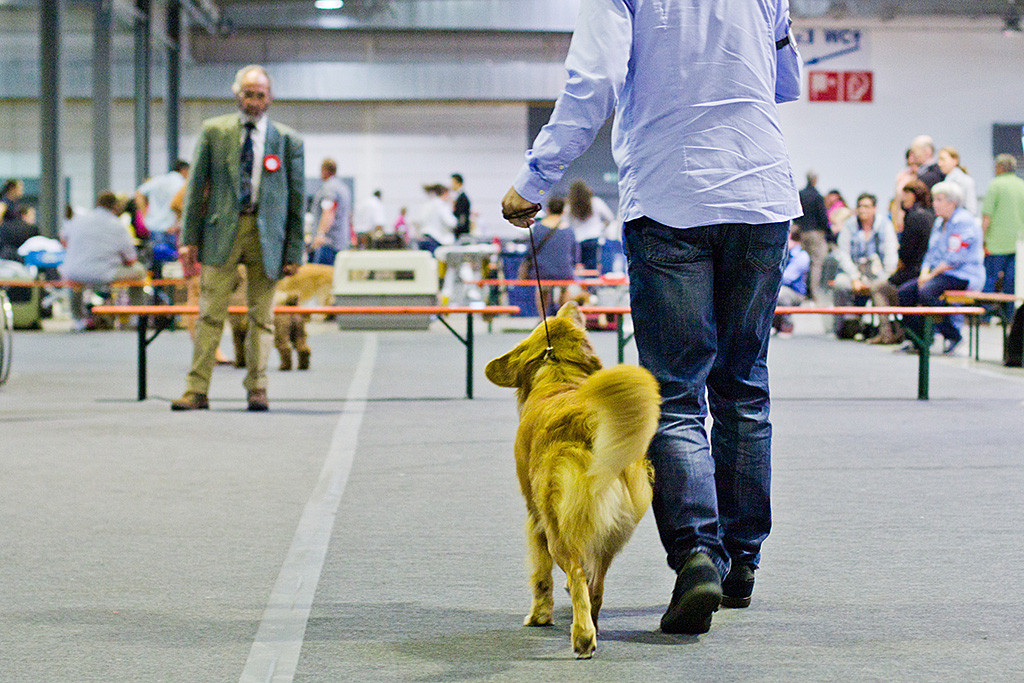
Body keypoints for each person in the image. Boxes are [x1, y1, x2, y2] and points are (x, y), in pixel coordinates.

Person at [501, 0, 803, 635]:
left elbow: (593, 82)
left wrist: (537, 178)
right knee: (744, 386)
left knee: (674, 393)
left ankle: (698, 555)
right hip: (760, 193)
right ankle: (743, 563)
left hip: (672, 195)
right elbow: (785, 81)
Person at [171, 64, 305, 412]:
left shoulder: (289, 141)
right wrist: (188, 239)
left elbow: (296, 198)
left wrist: (294, 250)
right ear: (237, 95)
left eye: (261, 95)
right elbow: (196, 188)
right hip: (221, 233)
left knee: (263, 318)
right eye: (248, 94)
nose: (254, 101)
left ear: (270, 98)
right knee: (209, 315)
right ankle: (196, 391)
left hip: (268, 237)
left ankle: (258, 388)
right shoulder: (214, 132)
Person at [897, 181, 985, 355]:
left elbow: (954, 259)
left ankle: (953, 334)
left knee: (926, 292)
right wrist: (923, 274)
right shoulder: (939, 223)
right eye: (934, 199)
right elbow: (930, 254)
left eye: (939, 199)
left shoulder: (963, 221)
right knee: (905, 292)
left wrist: (929, 277)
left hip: (963, 274)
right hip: (940, 275)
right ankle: (920, 338)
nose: (934, 204)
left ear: (952, 202)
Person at [58, 191, 147, 332]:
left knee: (74, 279)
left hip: (74, 271)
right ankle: (136, 318)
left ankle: (78, 320)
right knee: (139, 271)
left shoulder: (79, 219)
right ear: (115, 206)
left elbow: (64, 240)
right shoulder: (117, 225)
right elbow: (131, 259)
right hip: (104, 273)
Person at [869, 179, 935, 344]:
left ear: (913, 195)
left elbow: (906, 252)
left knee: (878, 288)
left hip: (913, 271)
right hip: (922, 271)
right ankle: (901, 331)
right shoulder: (930, 215)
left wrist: (898, 270)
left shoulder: (913, 217)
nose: (902, 199)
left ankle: (889, 333)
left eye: (905, 195)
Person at [832, 193, 899, 338]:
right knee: (840, 284)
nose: (863, 210)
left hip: (877, 273)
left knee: (881, 287)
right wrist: (854, 276)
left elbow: (891, 252)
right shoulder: (849, 225)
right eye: (860, 206)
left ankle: (885, 332)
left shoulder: (884, 225)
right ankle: (844, 328)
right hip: (854, 272)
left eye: (867, 206)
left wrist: (887, 275)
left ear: (874, 208)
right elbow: (842, 254)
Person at [980, 154, 1024, 322]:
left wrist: (982, 238)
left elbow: (987, 216)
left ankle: (985, 315)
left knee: (990, 279)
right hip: (1018, 243)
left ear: (999, 167)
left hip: (996, 243)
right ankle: (1010, 317)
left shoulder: (995, 185)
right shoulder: (1022, 185)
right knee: (1012, 282)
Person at [527, 197, 579, 317]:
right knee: (565, 289)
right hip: (564, 271)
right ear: (563, 211)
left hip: (542, 271)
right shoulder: (569, 230)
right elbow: (575, 253)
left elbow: (530, 251)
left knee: (542, 290)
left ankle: (543, 318)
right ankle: (564, 319)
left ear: (548, 209)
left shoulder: (538, 228)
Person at [136, 160, 189, 263]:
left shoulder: (158, 179)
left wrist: (145, 215)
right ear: (184, 170)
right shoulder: (181, 182)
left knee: (156, 263)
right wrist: (178, 222)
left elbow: (139, 194)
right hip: (171, 228)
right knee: (171, 266)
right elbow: (176, 204)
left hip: (154, 226)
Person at [310, 158, 352, 266]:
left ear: (324, 170)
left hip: (328, 244)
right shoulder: (343, 188)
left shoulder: (329, 188)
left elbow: (328, 211)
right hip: (341, 242)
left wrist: (320, 235)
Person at [796, 171, 830, 301]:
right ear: (815, 179)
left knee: (803, 262)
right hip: (815, 233)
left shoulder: (801, 194)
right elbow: (823, 217)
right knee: (816, 263)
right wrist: (828, 232)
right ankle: (813, 293)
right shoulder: (817, 196)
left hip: (802, 233)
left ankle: (803, 290)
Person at [566, 180, 614, 271]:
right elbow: (610, 218)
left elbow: (566, 224)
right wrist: (602, 227)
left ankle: (581, 284)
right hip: (593, 238)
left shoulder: (569, 206)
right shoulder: (596, 202)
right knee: (592, 268)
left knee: (578, 268)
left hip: (577, 240)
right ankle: (592, 284)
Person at [774, 226, 810, 335]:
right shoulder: (781, 253)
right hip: (780, 287)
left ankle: (787, 325)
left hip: (795, 293)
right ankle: (773, 325)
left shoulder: (802, 256)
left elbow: (786, 278)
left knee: (780, 293)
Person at [412, 183, 456, 255]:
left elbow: (418, 221)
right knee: (435, 265)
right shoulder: (442, 205)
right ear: (445, 193)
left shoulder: (427, 204)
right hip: (436, 240)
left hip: (424, 239)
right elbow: (451, 223)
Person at [936, 147, 978, 216]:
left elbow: (971, 210)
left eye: (943, 159)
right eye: (939, 160)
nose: (939, 163)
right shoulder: (946, 180)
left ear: (955, 160)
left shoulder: (966, 180)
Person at [450, 173, 472, 240]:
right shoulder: (458, 197)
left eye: (452, 182)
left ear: (458, 183)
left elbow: (462, 216)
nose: (451, 185)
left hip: (462, 232)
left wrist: (458, 228)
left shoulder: (463, 198)